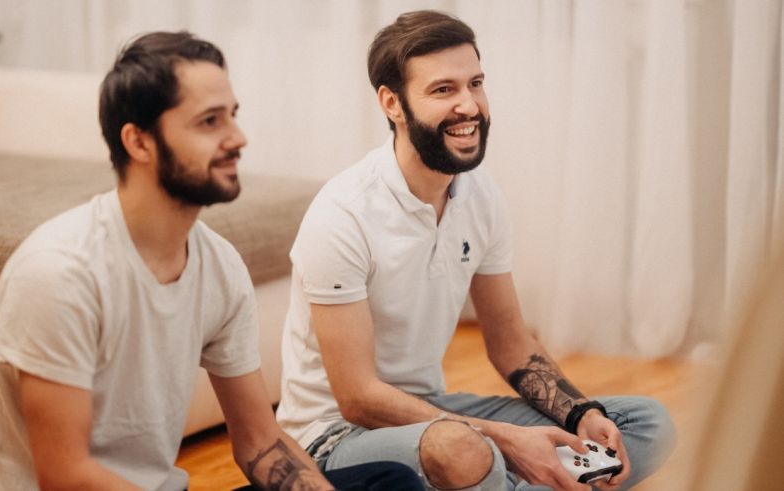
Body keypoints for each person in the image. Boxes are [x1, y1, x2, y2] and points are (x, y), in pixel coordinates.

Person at [0, 31, 423, 491]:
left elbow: (260, 441)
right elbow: (65, 474)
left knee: (389, 480)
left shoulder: (218, 264)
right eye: (209, 122)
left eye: (232, 116)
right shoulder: (59, 272)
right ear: (139, 142)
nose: (238, 138)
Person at [276, 10, 677, 491]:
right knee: (466, 451)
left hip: (433, 410)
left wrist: (580, 413)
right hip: (336, 437)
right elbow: (357, 397)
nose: (469, 106)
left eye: (476, 84)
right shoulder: (343, 215)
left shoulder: (480, 195)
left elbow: (510, 342)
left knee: (643, 423)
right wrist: (507, 440)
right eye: (443, 90)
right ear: (392, 103)